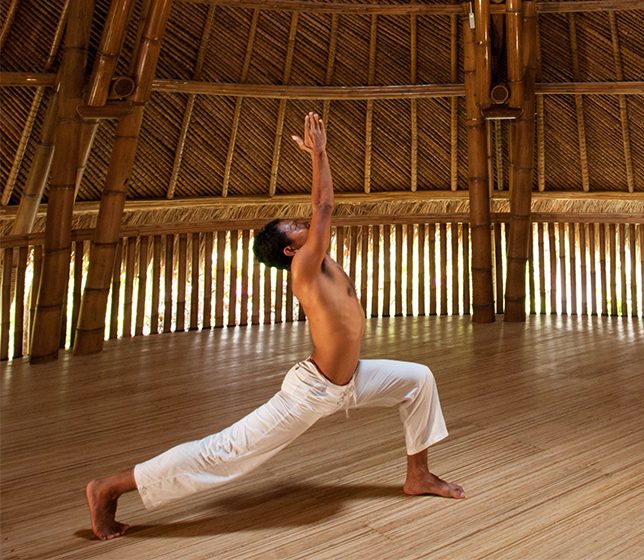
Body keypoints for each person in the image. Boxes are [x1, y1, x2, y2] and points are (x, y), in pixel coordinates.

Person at [86, 112, 464, 540]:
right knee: (224, 451)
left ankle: (419, 476)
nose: (306, 225)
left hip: (351, 380)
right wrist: (320, 153)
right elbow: (323, 205)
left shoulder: (315, 256)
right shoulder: (304, 266)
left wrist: (315, 165)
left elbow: (317, 206)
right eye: (297, 229)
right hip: (312, 391)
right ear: (289, 249)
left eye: (303, 224)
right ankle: (110, 487)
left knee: (419, 380)